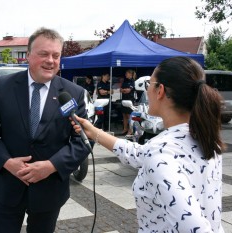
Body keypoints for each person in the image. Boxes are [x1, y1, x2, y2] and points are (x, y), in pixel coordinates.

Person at [70, 56, 226, 232]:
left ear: (160, 91)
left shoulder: (161, 154)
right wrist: (94, 132)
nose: (147, 90)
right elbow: (139, 154)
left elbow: (194, 227)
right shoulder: (208, 139)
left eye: (149, 84)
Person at [0, 27, 90, 233]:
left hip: (49, 190)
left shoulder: (73, 93)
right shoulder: (5, 86)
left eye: (56, 55)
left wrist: (51, 165)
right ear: (28, 55)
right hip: (7, 187)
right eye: (44, 54)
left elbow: (82, 141)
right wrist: (7, 162)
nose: (50, 60)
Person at [120, 69, 136, 136]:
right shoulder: (125, 81)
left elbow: (128, 90)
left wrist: (124, 90)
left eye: (127, 73)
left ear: (130, 74)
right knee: (124, 115)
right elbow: (121, 90)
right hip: (124, 99)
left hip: (130, 100)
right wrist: (124, 90)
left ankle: (130, 130)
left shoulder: (132, 81)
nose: (126, 75)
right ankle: (125, 129)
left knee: (129, 116)